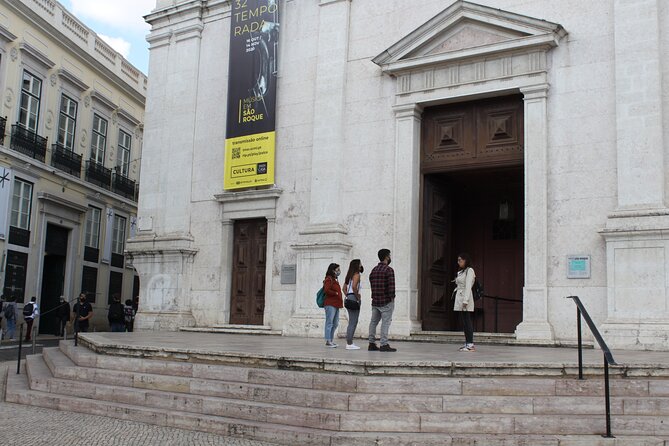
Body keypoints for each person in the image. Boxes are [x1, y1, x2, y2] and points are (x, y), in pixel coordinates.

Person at [368, 249, 397, 352]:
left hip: (375, 301)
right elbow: (391, 287)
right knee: (385, 323)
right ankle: (384, 344)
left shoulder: (374, 270)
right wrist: (392, 299)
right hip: (386, 301)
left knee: (373, 322)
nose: (390, 257)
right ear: (386, 257)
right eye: (389, 255)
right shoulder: (389, 270)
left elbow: (372, 285)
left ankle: (371, 343)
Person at [453, 253, 476, 352]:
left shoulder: (469, 271)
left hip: (465, 298)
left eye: (460, 260)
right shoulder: (461, 271)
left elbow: (468, 286)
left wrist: (466, 300)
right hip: (460, 297)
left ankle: (470, 344)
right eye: (458, 260)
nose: (458, 262)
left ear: (465, 260)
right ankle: (467, 343)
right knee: (464, 322)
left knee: (467, 321)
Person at [343, 259, 364, 350]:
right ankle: (349, 343)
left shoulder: (349, 276)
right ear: (357, 266)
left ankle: (349, 342)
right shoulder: (357, 275)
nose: (361, 265)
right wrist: (357, 296)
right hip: (353, 298)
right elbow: (354, 287)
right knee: (353, 322)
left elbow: (343, 288)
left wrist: (348, 295)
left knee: (351, 321)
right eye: (360, 264)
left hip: (348, 298)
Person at [322, 263, 343, 348]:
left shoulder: (334, 279)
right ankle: (328, 340)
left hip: (336, 304)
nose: (339, 271)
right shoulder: (328, 279)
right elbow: (326, 290)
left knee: (335, 323)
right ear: (333, 270)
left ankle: (330, 340)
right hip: (330, 304)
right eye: (337, 270)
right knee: (329, 322)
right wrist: (335, 293)